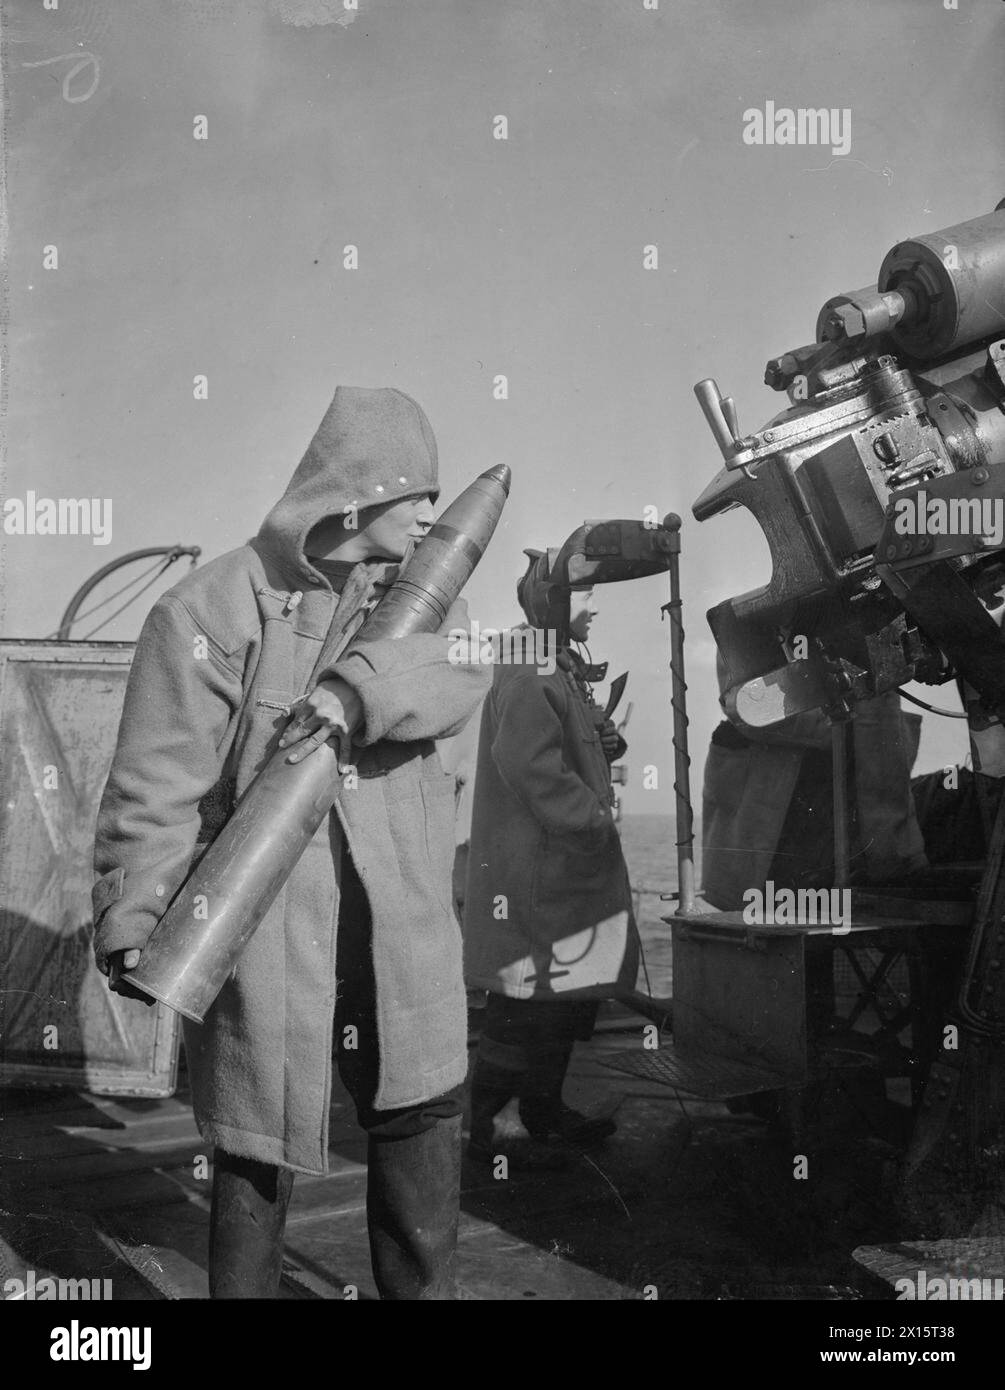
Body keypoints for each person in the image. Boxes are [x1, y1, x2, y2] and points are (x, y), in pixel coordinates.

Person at [91, 385, 492, 1299]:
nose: (434, 513)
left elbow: (458, 676)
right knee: (252, 1149)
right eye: (416, 492)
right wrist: (132, 912)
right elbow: (155, 785)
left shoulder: (433, 609)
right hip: (266, 930)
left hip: (402, 929)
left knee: (421, 1125)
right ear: (358, 492)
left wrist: (354, 692)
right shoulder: (208, 610)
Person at [462, 547, 638, 1167]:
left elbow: (556, 743)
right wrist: (590, 819)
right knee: (526, 1004)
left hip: (556, 873)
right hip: (541, 873)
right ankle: (488, 1123)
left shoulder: (546, 659)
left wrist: (601, 740)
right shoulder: (534, 665)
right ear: (553, 602)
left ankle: (539, 1111)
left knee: (560, 997)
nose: (594, 605)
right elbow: (527, 764)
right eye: (584, 595)